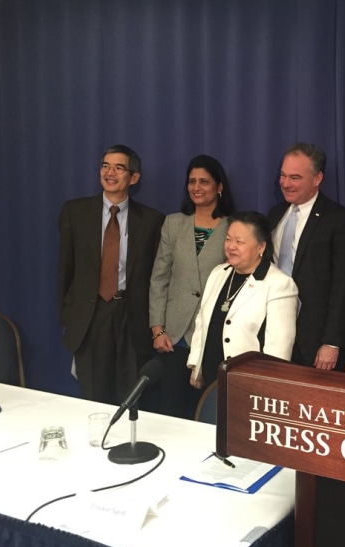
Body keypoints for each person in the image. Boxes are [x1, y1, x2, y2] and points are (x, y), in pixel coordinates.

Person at [58, 144, 164, 405]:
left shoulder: (151, 220)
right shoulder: (75, 211)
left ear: (134, 177)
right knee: (94, 394)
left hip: (131, 315)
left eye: (119, 167)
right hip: (92, 315)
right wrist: (68, 317)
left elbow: (156, 276)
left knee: (131, 395)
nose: (110, 172)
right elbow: (65, 269)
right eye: (105, 165)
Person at [146, 155, 234, 418]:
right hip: (173, 337)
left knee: (206, 410)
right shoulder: (173, 223)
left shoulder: (234, 226)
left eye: (204, 182)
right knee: (171, 410)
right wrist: (157, 329)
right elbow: (159, 278)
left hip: (211, 336)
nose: (197, 187)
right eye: (192, 181)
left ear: (219, 186)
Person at [268, 143, 345, 371]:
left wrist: (332, 342)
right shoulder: (275, 214)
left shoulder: (339, 220)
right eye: (283, 175)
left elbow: (344, 285)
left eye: (295, 177)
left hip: (314, 342)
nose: (286, 183)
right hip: (274, 336)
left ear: (317, 178)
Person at [187, 211, 298, 386]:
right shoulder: (219, 273)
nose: (231, 246)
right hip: (210, 378)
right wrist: (196, 365)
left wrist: (267, 388)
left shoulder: (279, 284)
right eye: (228, 239)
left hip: (249, 385)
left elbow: (279, 348)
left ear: (261, 247)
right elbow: (202, 322)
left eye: (239, 242)